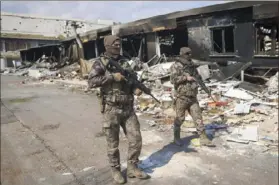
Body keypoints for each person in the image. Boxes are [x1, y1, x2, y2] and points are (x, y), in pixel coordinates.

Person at [88, 35, 149, 184]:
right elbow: (91, 82)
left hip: (128, 108)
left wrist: (135, 88)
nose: (117, 45)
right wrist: (111, 77)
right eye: (114, 43)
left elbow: (130, 79)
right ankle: (115, 170)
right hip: (111, 109)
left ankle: (132, 166)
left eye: (119, 43)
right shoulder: (100, 63)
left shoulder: (124, 61)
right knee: (113, 144)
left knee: (136, 139)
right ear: (107, 45)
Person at [170, 47, 215, 147]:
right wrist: (186, 78)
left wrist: (206, 90)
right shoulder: (176, 66)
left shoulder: (192, 66)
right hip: (182, 97)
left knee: (198, 118)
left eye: (190, 53)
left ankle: (203, 138)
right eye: (186, 54)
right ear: (181, 54)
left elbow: (198, 78)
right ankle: (176, 137)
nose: (189, 55)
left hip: (192, 97)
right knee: (180, 119)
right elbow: (173, 80)